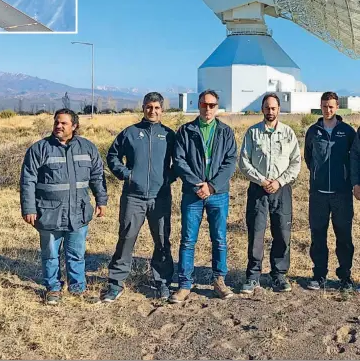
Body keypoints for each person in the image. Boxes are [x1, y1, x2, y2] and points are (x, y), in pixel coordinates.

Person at [20, 109, 107, 305]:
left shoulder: (87, 148)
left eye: (64, 123)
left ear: (74, 126)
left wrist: (101, 201)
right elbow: (28, 181)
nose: (58, 126)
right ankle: (53, 288)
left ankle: (77, 288)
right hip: (49, 213)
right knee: (50, 254)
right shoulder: (39, 149)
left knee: (76, 253)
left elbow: (97, 177)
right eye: (56, 122)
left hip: (79, 212)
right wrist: (29, 208)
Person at [101, 92, 176, 303]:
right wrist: (127, 175)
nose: (153, 111)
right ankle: (115, 283)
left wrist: (168, 179)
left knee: (162, 240)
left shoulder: (169, 135)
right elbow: (113, 156)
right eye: (149, 107)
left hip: (160, 197)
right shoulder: (131, 133)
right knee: (126, 238)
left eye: (157, 108)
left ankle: (162, 283)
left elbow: (179, 161)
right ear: (143, 108)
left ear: (162, 110)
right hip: (133, 197)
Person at [169, 89, 237, 303]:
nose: (208, 109)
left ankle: (219, 280)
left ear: (217, 107)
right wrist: (196, 184)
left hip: (218, 194)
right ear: (198, 105)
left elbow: (230, 161)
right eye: (204, 104)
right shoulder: (186, 131)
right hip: (193, 193)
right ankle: (184, 285)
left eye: (212, 105)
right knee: (188, 240)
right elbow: (179, 160)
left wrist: (213, 186)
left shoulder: (225, 132)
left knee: (219, 239)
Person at [239, 93, 301, 294]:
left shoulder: (288, 133)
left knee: (282, 232)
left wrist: (279, 182)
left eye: (274, 108)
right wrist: (262, 180)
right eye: (267, 107)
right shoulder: (252, 133)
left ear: (279, 109)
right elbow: (244, 162)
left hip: (281, 190)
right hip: (259, 190)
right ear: (262, 109)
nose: (270, 111)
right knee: (256, 232)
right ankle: (253, 276)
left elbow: (295, 162)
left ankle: (279, 275)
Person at [304, 92, 356, 291]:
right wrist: (317, 174)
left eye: (332, 106)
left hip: (341, 193)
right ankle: (319, 275)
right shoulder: (313, 131)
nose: (328, 110)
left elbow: (354, 159)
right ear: (321, 106)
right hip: (318, 194)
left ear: (337, 107)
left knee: (343, 236)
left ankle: (345, 277)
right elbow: (308, 157)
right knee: (318, 236)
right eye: (325, 106)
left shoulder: (347, 131)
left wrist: (347, 179)